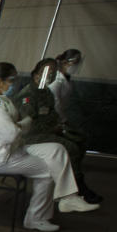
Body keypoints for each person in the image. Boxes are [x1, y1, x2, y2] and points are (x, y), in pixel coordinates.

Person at [0, 62, 98, 232]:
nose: (14, 84)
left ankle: (68, 197)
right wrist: (24, 124)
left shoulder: (1, 99)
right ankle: (35, 219)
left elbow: (15, 128)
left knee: (57, 149)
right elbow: (12, 134)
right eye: (11, 80)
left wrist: (19, 126)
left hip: (13, 149)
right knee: (47, 171)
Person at [16, 58, 102, 204]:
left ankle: (73, 180)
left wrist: (61, 127)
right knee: (71, 148)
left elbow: (53, 115)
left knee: (80, 140)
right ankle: (75, 188)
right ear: (36, 74)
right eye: (46, 72)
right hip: (31, 137)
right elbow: (28, 126)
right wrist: (53, 129)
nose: (50, 76)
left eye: (53, 73)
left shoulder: (46, 93)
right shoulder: (28, 95)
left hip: (48, 131)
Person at [48, 48, 82, 118]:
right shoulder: (56, 81)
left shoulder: (67, 79)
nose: (76, 66)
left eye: (78, 63)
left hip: (59, 116)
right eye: (75, 63)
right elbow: (55, 105)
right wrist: (64, 121)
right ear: (64, 63)